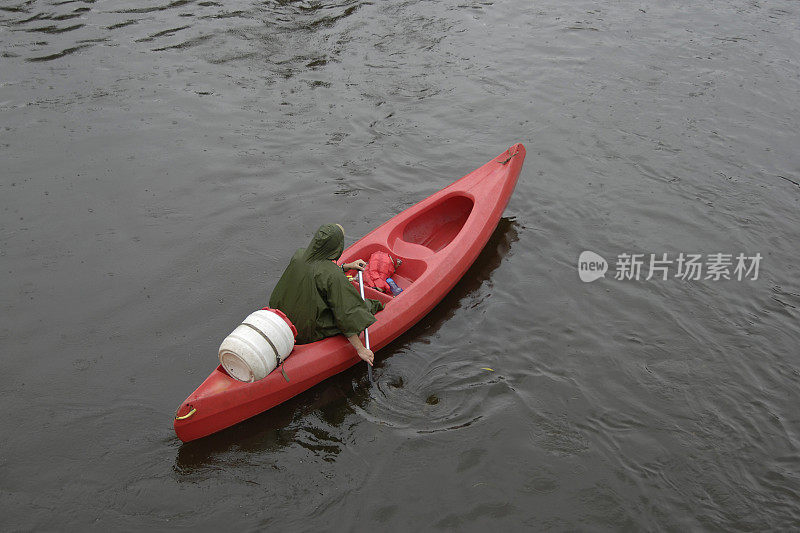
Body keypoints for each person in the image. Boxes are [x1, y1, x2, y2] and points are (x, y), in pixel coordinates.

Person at [269, 223, 384, 365]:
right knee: (369, 305)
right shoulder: (333, 275)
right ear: (336, 247)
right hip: (307, 332)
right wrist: (361, 349)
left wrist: (344, 267)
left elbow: (316, 274)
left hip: (284, 320)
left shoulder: (299, 255)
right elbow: (347, 315)